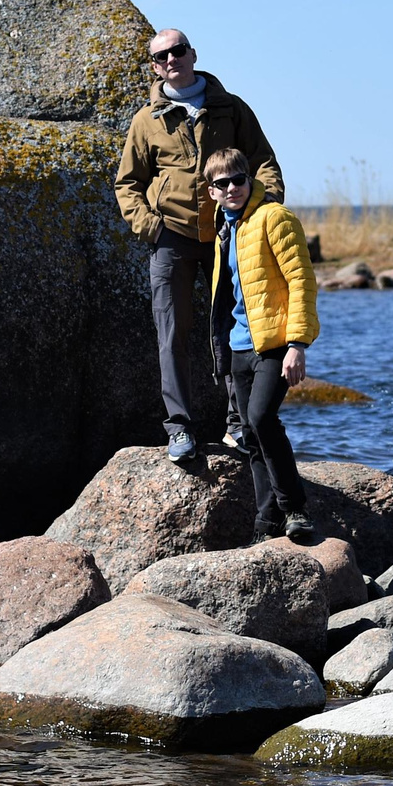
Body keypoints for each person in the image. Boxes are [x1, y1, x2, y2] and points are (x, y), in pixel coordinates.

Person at [113, 29, 283, 463]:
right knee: (171, 334)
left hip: (228, 236)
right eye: (162, 55)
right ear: (154, 66)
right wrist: (149, 227)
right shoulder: (146, 120)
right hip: (170, 239)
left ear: (193, 54)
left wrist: (260, 210)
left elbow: (262, 161)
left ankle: (237, 426)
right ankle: (180, 429)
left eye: (178, 50)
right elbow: (127, 184)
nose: (171, 59)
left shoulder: (230, 107)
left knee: (234, 331)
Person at [203, 145, 319, 542]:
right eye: (223, 183)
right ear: (212, 191)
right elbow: (229, 296)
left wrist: (298, 344)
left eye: (239, 178)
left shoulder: (275, 217)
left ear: (249, 180)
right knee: (250, 436)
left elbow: (302, 282)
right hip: (238, 347)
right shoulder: (224, 229)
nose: (233, 187)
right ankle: (267, 521)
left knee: (261, 418)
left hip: (274, 343)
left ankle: (296, 510)